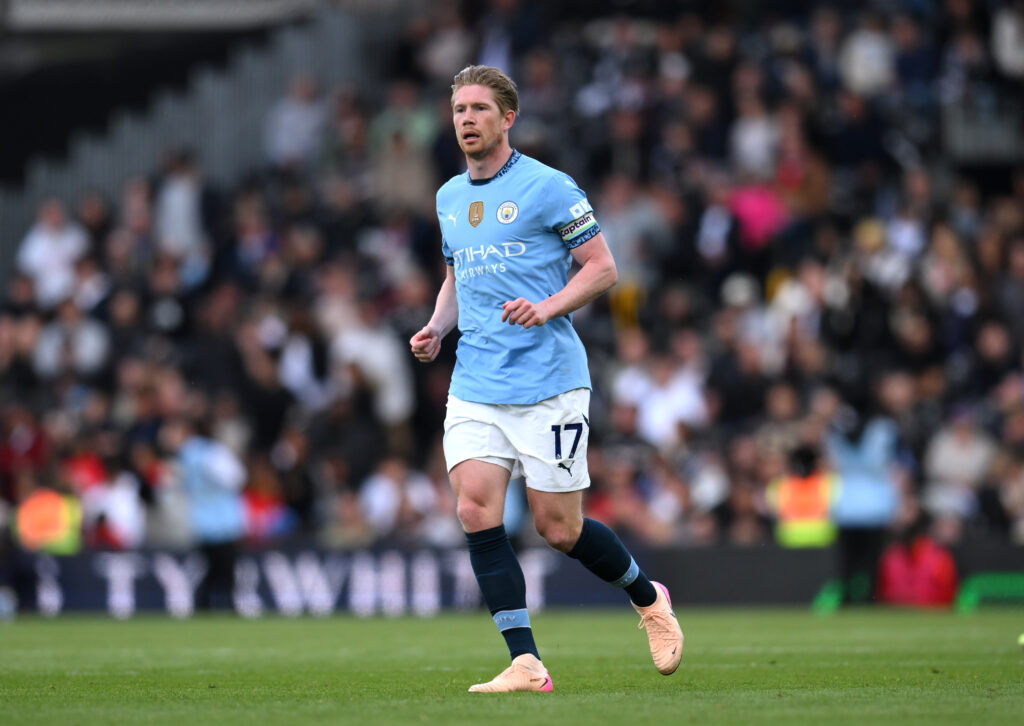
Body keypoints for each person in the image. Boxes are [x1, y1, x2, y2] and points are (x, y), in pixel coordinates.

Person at [410, 65, 682, 694]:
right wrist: (435, 328)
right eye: (458, 110)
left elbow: (603, 268)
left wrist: (549, 305)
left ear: (508, 118)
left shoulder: (549, 187)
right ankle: (526, 661)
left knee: (557, 529)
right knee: (475, 508)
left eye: (479, 109)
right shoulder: (449, 196)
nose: (466, 120)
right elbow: (459, 277)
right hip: (476, 380)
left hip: (549, 381)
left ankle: (648, 598)